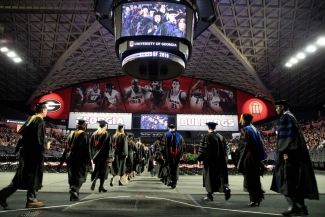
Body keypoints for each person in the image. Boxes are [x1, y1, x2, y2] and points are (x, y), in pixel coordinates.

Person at [271, 100, 319, 216]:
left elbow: (287, 137)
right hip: (296, 155)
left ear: (282, 107)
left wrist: (285, 152)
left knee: (287, 181)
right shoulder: (292, 117)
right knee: (295, 182)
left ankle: (293, 206)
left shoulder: (285, 118)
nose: (276, 110)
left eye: (277, 108)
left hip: (289, 156)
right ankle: (302, 207)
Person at [0, 103, 49, 209]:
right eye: (46, 110)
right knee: (33, 176)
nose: (47, 112)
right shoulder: (39, 121)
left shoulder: (31, 119)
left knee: (20, 178)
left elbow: (22, 136)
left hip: (26, 153)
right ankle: (31, 200)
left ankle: (3, 194)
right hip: (33, 154)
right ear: (42, 110)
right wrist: (44, 148)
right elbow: (38, 139)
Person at [195, 122, 231, 201]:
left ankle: (209, 195)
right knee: (219, 177)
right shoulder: (221, 137)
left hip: (210, 162)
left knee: (209, 178)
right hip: (220, 162)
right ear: (215, 128)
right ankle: (225, 189)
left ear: (208, 127)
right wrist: (225, 159)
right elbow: (227, 149)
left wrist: (198, 158)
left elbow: (203, 150)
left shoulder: (206, 136)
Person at [236, 114, 267, 206]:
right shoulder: (254, 129)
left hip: (249, 158)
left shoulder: (246, 130)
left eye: (241, 119)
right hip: (256, 157)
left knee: (250, 179)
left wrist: (239, 159)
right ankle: (257, 197)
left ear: (245, 120)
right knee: (255, 178)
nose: (240, 121)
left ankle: (254, 199)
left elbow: (244, 147)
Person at [58, 119, 92, 201]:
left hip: (70, 159)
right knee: (81, 177)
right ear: (84, 126)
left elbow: (67, 148)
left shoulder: (71, 134)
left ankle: (74, 194)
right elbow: (87, 149)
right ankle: (74, 191)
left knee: (72, 177)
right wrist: (90, 160)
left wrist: (62, 161)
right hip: (80, 160)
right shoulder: (84, 135)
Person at [90, 120, 112, 193]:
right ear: (105, 126)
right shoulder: (106, 134)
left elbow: (91, 146)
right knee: (103, 171)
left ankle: (95, 178)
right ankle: (101, 186)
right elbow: (109, 146)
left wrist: (92, 156)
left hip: (96, 156)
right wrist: (110, 157)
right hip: (104, 155)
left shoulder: (94, 134)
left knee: (97, 168)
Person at [163, 124, 184, 189]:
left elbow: (163, 146)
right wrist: (181, 155)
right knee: (176, 168)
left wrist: (163, 155)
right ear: (175, 128)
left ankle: (170, 180)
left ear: (168, 128)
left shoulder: (166, 135)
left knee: (169, 167)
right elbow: (183, 146)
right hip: (177, 156)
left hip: (168, 155)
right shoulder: (180, 136)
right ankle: (174, 183)